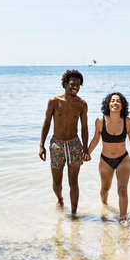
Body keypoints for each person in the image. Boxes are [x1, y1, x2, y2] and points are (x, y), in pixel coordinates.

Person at [86, 92, 130, 221]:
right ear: (108, 104)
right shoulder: (100, 121)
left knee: (122, 190)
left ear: (122, 105)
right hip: (105, 160)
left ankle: (123, 219)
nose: (115, 103)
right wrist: (87, 152)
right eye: (112, 101)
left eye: (118, 101)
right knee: (105, 189)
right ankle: (104, 208)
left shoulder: (127, 122)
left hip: (123, 158)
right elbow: (95, 139)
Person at [39, 69, 89, 214]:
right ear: (65, 83)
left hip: (74, 144)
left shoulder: (82, 104)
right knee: (57, 183)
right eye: (72, 84)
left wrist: (85, 149)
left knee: (74, 182)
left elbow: (84, 127)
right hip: (57, 144)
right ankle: (60, 199)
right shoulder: (54, 101)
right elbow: (47, 122)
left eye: (78, 85)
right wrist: (41, 145)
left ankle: (74, 214)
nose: (75, 87)